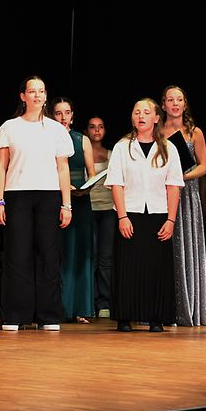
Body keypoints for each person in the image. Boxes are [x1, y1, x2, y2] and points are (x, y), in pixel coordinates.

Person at [0, 76, 74, 331]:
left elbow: (63, 168)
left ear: (46, 96)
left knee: (48, 254)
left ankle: (48, 315)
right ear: (23, 96)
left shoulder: (56, 129)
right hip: (17, 195)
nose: (37, 95)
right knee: (17, 254)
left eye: (41, 91)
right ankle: (14, 314)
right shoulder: (10, 127)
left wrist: (66, 205)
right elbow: (0, 166)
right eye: (32, 91)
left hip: (49, 195)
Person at [107, 98, 183, 332]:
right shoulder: (122, 147)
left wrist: (171, 220)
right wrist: (122, 217)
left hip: (159, 214)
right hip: (130, 212)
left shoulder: (168, 148)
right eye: (137, 112)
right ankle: (125, 316)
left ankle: (156, 318)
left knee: (156, 268)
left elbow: (174, 186)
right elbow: (116, 183)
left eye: (146, 112)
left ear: (157, 118)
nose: (141, 116)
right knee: (128, 267)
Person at [158, 86, 206, 327]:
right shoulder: (157, 131)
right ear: (163, 104)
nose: (175, 103)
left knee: (187, 245)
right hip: (162, 192)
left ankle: (188, 308)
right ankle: (164, 307)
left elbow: (204, 166)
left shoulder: (194, 132)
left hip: (187, 193)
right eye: (170, 100)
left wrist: (181, 177)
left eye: (179, 99)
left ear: (185, 104)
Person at [52, 97, 94, 324]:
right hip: (56, 198)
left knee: (81, 252)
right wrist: (63, 186)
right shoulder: (48, 137)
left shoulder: (82, 139)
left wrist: (86, 187)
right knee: (62, 252)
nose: (63, 117)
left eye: (67, 112)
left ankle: (80, 308)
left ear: (72, 115)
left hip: (81, 199)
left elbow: (91, 173)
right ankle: (61, 307)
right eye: (58, 113)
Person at [86, 116, 114, 318]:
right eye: (92, 127)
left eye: (100, 127)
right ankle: (88, 301)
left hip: (108, 210)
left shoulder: (112, 154)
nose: (96, 130)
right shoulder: (82, 153)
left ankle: (104, 302)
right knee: (90, 257)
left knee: (105, 258)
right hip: (88, 208)